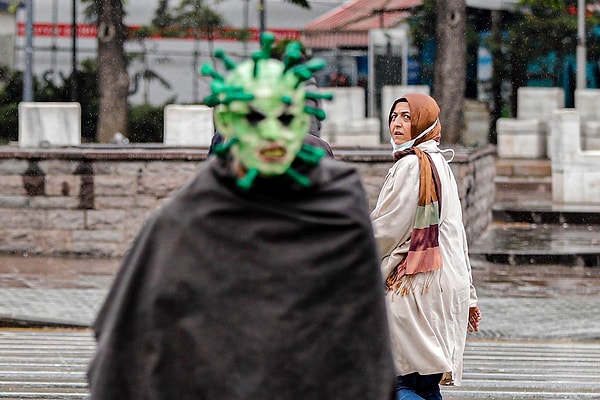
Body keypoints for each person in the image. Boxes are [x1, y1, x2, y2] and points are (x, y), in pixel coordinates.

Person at [87, 32, 394, 400]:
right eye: (253, 117)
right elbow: (125, 343)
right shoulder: (186, 219)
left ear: (302, 119)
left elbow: (366, 337)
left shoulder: (339, 208)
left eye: (283, 117)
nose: (270, 132)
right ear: (229, 123)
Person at [370, 93, 482, 400]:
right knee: (423, 384)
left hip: (416, 289)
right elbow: (456, 236)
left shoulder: (411, 165)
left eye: (407, 117)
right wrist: (468, 295)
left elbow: (386, 229)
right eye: (394, 116)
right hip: (444, 286)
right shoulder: (439, 164)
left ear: (425, 122)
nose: (397, 123)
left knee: (398, 383)